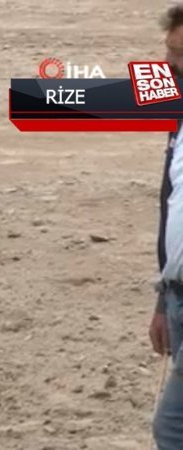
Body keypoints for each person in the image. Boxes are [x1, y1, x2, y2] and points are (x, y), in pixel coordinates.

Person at [151, 5, 183, 448]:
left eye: (179, 55)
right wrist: (163, 301)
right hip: (177, 296)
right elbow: (171, 209)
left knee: (172, 428)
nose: (169, 65)